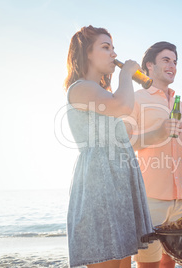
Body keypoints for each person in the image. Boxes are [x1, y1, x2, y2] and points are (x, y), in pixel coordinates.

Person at [64, 25, 153, 268]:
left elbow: (123, 136)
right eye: (106, 47)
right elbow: (121, 105)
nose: (114, 54)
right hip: (100, 182)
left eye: (114, 48)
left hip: (120, 182)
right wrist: (127, 74)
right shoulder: (80, 88)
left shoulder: (102, 92)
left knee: (124, 262)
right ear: (87, 53)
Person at [124, 41, 182, 268]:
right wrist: (157, 134)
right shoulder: (136, 99)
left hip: (181, 199)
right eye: (166, 60)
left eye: (175, 62)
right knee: (149, 264)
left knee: (171, 261)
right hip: (151, 197)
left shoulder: (181, 105)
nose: (172, 66)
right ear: (149, 66)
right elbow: (123, 143)